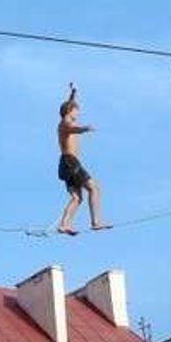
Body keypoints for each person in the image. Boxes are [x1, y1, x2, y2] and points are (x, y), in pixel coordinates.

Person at [56, 84, 111, 235]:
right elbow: (72, 129)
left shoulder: (64, 120)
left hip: (66, 164)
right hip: (71, 162)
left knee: (76, 198)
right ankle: (96, 222)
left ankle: (63, 225)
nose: (78, 113)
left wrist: (73, 93)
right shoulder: (66, 124)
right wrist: (84, 129)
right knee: (94, 188)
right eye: (76, 111)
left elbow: (68, 105)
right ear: (70, 111)